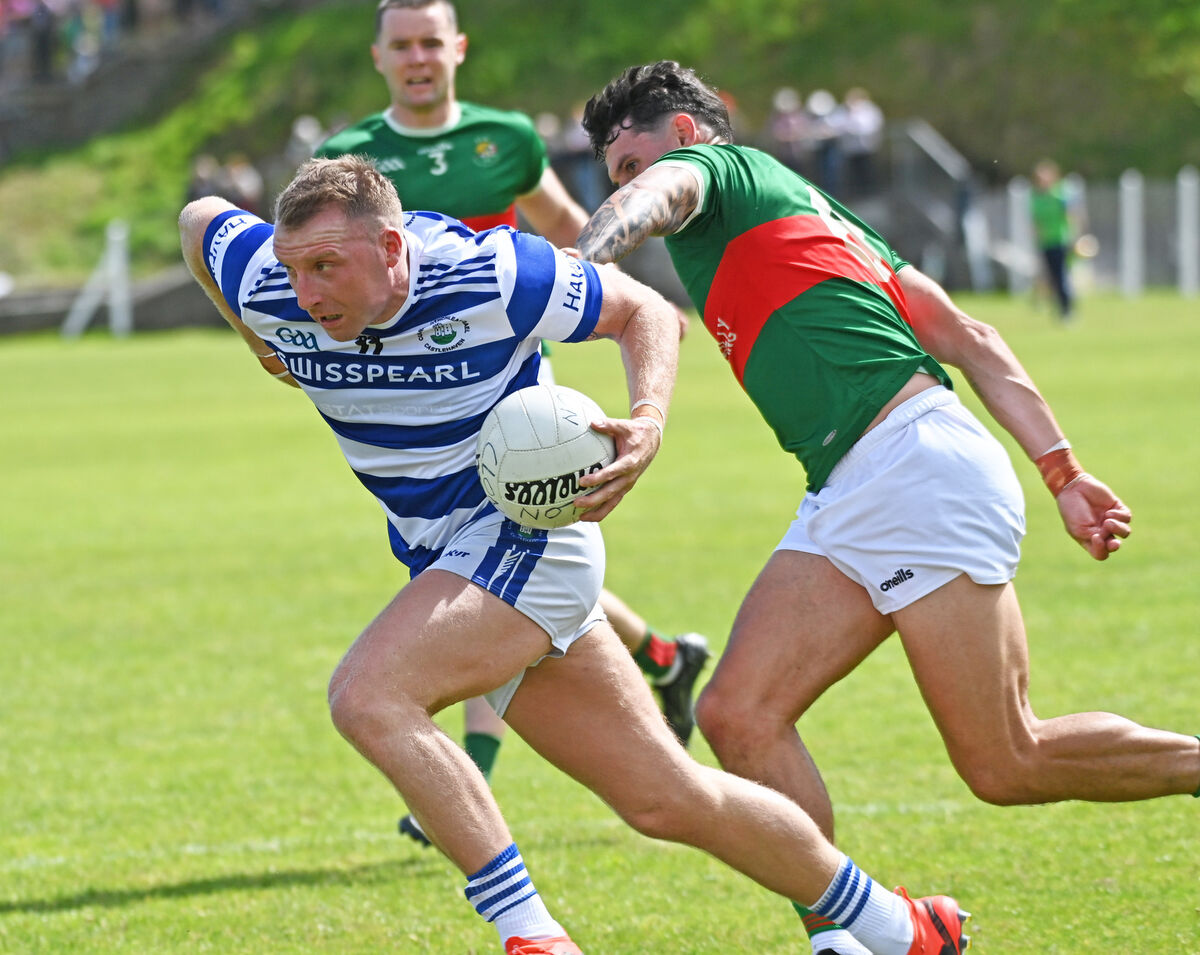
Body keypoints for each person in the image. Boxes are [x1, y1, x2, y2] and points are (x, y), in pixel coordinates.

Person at [179, 154, 968, 955]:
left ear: (390, 248)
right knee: (667, 797)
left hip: (530, 537)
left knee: (367, 695)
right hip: (450, 561)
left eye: (325, 267)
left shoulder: (490, 273)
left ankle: (533, 938)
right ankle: (899, 925)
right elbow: (199, 219)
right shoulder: (271, 284)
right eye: (293, 268)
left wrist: (650, 419)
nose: (306, 294)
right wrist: (258, 340)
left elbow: (648, 313)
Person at [575, 60, 1200, 955]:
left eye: (628, 164)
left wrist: (576, 261)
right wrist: (1063, 474)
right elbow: (971, 337)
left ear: (679, 132)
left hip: (911, 466)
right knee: (737, 717)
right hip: (858, 483)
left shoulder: (722, 171)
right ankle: (853, 936)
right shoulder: (827, 217)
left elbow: (668, 191)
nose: (627, 187)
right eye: (615, 179)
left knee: (1005, 760)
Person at [311, 0, 708, 849]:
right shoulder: (346, 161)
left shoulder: (506, 139)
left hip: (516, 393)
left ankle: (466, 786)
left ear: (457, 49)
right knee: (500, 573)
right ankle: (665, 656)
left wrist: (636, 306)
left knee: (489, 572)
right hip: (414, 401)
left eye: (431, 42)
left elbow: (569, 231)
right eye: (401, 45)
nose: (418, 58)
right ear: (378, 56)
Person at [1029, 158, 1079, 320]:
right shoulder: (1036, 198)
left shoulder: (1060, 195)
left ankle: (1067, 310)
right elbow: (1036, 221)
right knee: (1051, 277)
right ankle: (1058, 309)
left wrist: (1074, 237)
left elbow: (1071, 216)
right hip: (1046, 242)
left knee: (1061, 275)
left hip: (1061, 240)